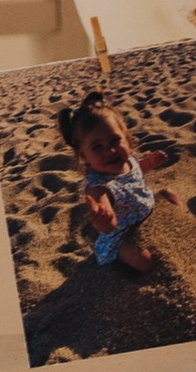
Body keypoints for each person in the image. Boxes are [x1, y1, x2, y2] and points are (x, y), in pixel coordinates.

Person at [59, 92, 171, 278]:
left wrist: (150, 163)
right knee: (145, 261)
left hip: (144, 214)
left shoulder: (127, 161)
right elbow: (108, 220)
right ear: (84, 157)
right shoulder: (99, 187)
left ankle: (183, 219)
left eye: (115, 141)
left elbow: (136, 171)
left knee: (168, 193)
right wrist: (104, 221)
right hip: (121, 234)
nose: (110, 151)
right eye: (97, 147)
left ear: (127, 139)